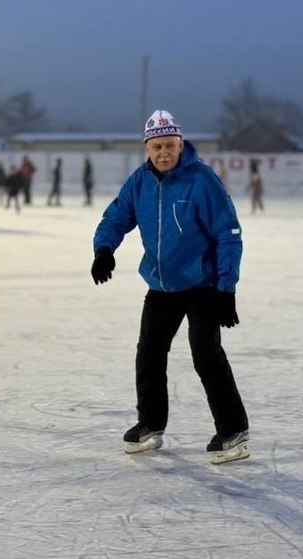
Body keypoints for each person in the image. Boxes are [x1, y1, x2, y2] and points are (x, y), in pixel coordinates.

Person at [91, 109, 250, 464]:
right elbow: (116, 216)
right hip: (161, 286)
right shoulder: (140, 181)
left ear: (181, 145)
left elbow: (229, 234)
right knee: (149, 354)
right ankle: (150, 424)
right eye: (157, 146)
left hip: (203, 285)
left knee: (206, 356)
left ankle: (233, 430)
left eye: (170, 146)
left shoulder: (202, 180)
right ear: (147, 148)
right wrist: (104, 249)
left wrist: (227, 288)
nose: (164, 153)